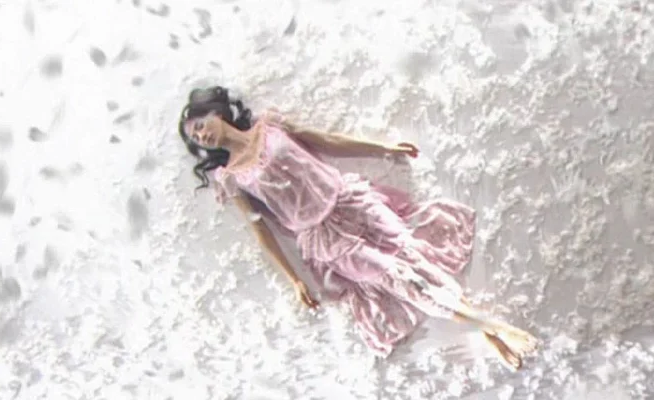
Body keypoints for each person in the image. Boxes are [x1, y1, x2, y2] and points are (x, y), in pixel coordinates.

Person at [177, 86, 537, 369]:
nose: (201, 136)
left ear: (216, 113)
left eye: (200, 126)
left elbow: (326, 141)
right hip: (325, 239)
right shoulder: (230, 177)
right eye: (195, 138)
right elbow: (261, 230)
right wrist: (294, 280)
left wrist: (382, 147)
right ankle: (495, 327)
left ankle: (487, 330)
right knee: (398, 276)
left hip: (351, 201)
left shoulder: (270, 126)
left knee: (415, 260)